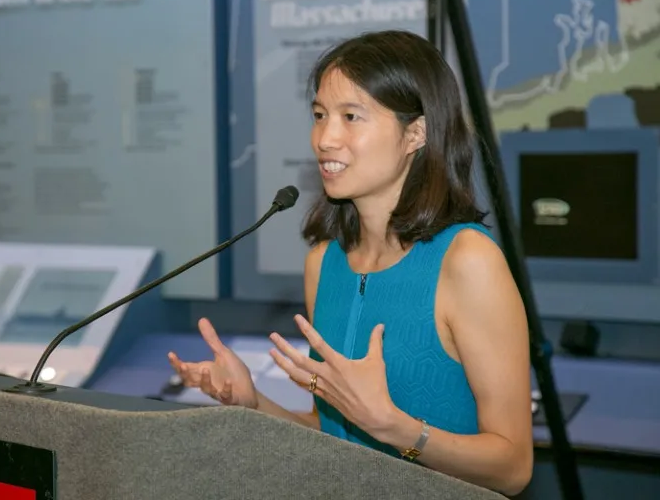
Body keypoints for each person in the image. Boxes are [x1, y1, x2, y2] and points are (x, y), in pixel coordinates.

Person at [167, 29, 533, 496]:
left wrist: (393, 426)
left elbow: (514, 466)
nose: (325, 137)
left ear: (415, 133)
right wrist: (251, 402)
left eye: (351, 116)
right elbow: (335, 437)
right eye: (320, 115)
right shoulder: (324, 263)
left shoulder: (467, 260)